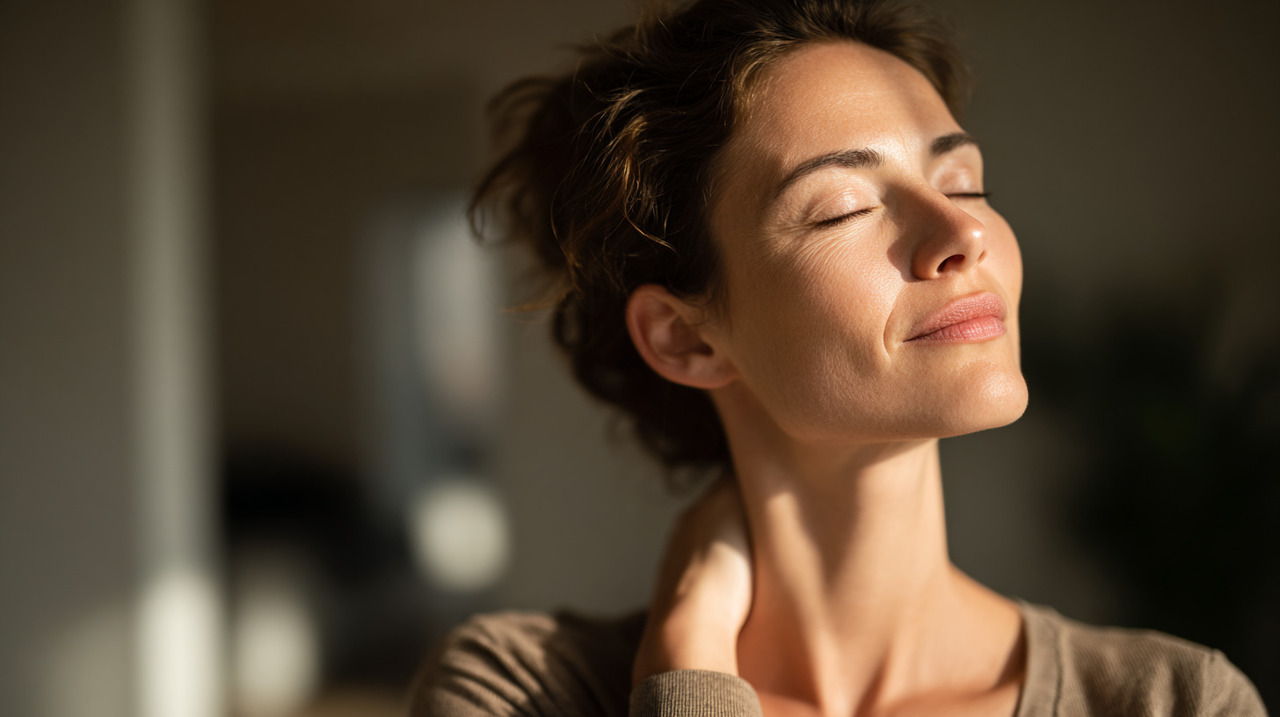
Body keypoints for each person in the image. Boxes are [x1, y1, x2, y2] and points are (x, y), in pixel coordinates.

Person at [411, 0, 1268, 714]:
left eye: (964, 182)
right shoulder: (519, 690)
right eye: (844, 208)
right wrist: (688, 650)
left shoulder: (1175, 700)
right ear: (687, 336)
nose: (964, 231)